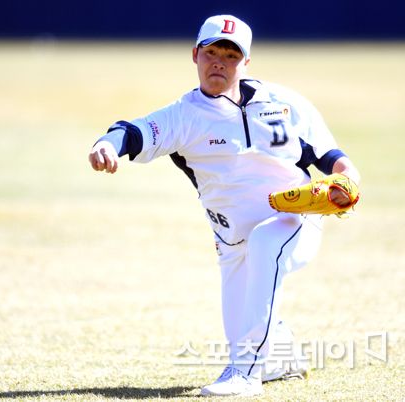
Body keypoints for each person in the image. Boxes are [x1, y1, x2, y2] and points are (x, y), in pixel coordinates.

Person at [87, 14, 360, 397]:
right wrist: (105, 145)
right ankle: (282, 357)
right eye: (212, 52)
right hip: (231, 240)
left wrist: (348, 184)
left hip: (294, 219)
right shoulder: (184, 116)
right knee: (241, 320)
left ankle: (244, 374)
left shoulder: (285, 103)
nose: (219, 62)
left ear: (245, 62)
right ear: (195, 55)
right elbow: (132, 132)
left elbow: (336, 162)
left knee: (266, 243)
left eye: (231, 55)